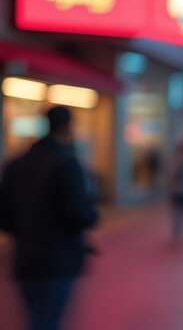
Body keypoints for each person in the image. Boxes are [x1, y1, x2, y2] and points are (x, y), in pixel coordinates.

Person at [0, 106, 99, 330]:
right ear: (68, 128)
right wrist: (93, 212)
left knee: (38, 318)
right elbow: (80, 215)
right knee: (46, 322)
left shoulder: (15, 164)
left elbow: (4, 219)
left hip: (24, 260)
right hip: (59, 261)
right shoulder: (67, 163)